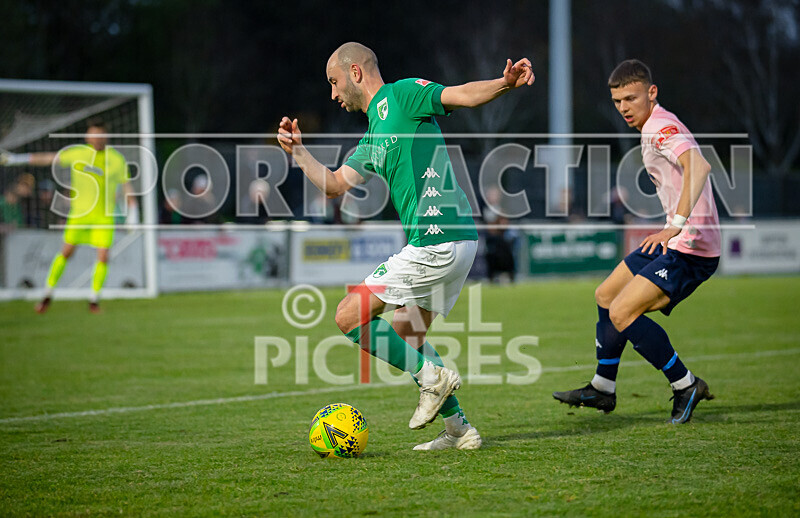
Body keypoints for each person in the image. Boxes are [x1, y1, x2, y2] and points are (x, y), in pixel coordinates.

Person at [278, 42, 534, 450]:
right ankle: (459, 430)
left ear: (356, 72)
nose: (332, 93)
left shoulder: (401, 94)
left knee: (349, 317)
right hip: (456, 241)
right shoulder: (373, 136)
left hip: (438, 240)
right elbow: (333, 184)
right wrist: (300, 153)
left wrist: (504, 83)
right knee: (407, 334)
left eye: (334, 82)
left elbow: (462, 93)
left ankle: (432, 378)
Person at [553, 59, 720, 424]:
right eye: (617, 101)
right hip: (678, 241)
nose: (624, 107)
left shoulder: (660, 127)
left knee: (622, 312)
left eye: (631, 98)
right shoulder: (653, 127)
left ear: (651, 92)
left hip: (691, 248)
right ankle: (603, 387)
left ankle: (684, 384)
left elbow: (700, 167)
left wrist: (674, 225)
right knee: (606, 295)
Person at [0, 118, 138, 313]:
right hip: (80, 215)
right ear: (87, 136)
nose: (96, 138)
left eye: (100, 134)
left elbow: (126, 187)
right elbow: (49, 158)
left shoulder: (116, 159)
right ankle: (47, 293)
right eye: (92, 134)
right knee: (66, 252)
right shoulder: (78, 153)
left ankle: (94, 300)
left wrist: (133, 212)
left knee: (103, 256)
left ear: (105, 136)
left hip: (103, 217)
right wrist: (17, 159)